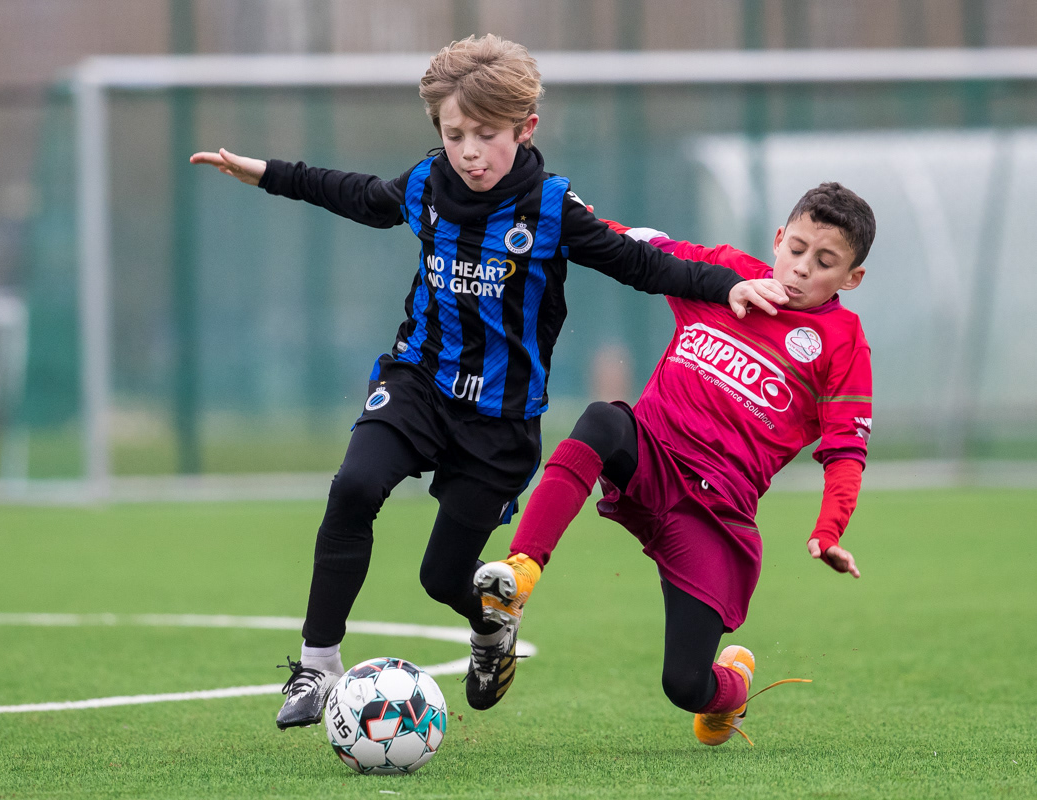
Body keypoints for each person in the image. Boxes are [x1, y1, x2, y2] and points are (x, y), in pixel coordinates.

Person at [191, 34, 785, 730]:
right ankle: (317, 666)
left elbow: (641, 265)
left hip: (498, 424)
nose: (469, 151)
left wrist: (732, 286)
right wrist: (264, 172)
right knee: (353, 488)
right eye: (454, 134)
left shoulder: (552, 209)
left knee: (443, 578)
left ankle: (490, 631)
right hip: (418, 383)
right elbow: (355, 194)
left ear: (525, 129)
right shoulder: (426, 184)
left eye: (486, 135)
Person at [475, 181, 875, 746]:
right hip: (652, 457)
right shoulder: (725, 273)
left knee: (684, 683)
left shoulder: (842, 342)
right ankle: (521, 572)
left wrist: (829, 528)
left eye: (826, 261)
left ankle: (731, 685)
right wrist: (564, 211)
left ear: (852, 278)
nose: (803, 267)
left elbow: (845, 451)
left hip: (715, 515)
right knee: (603, 420)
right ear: (780, 238)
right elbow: (638, 248)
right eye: (798, 248)